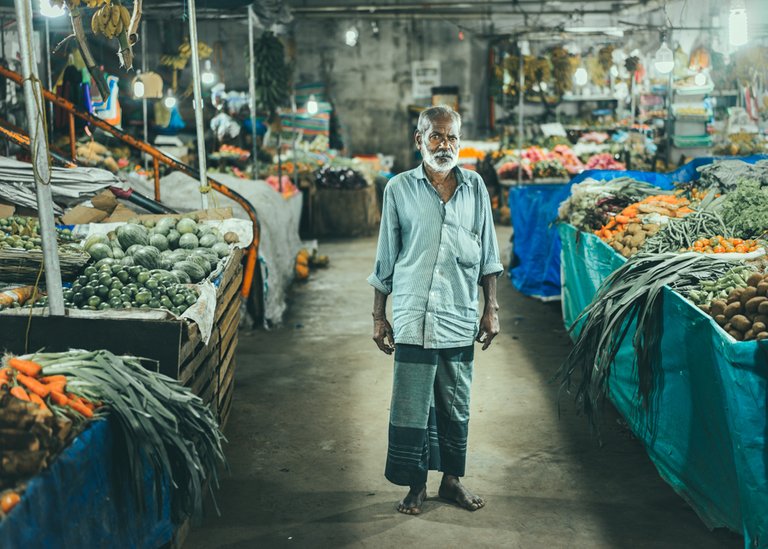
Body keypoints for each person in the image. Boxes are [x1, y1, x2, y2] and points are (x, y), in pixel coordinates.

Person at [367, 105, 503, 515]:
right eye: (436, 137)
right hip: (413, 313)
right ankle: (415, 485)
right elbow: (385, 259)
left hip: (458, 312)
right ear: (419, 139)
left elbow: (489, 254)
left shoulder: (476, 187)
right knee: (412, 403)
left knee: (454, 400)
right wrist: (378, 315)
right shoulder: (398, 189)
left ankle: (451, 482)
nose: (445, 145)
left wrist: (491, 308)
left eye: (452, 137)